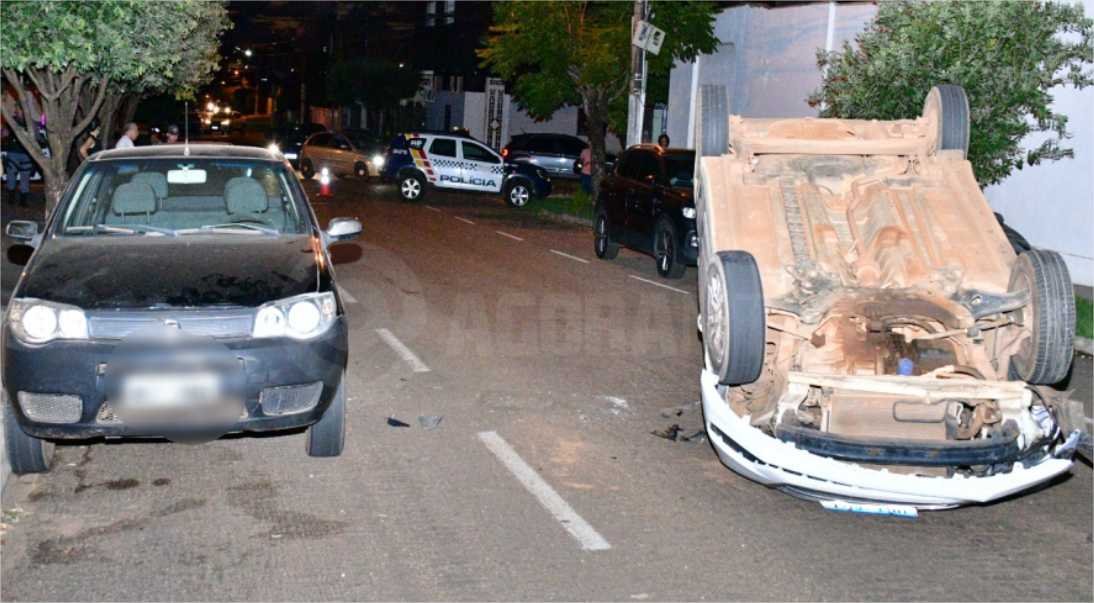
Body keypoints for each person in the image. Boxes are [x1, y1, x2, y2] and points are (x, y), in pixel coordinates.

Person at [2, 106, 35, 207]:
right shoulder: (11, 121)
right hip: (13, 153)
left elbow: (35, 136)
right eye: (16, 109)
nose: (16, 111)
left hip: (26, 154)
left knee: (25, 178)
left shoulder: (29, 122)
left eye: (18, 109)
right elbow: (4, 134)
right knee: (11, 177)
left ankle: (22, 201)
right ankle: (11, 198)